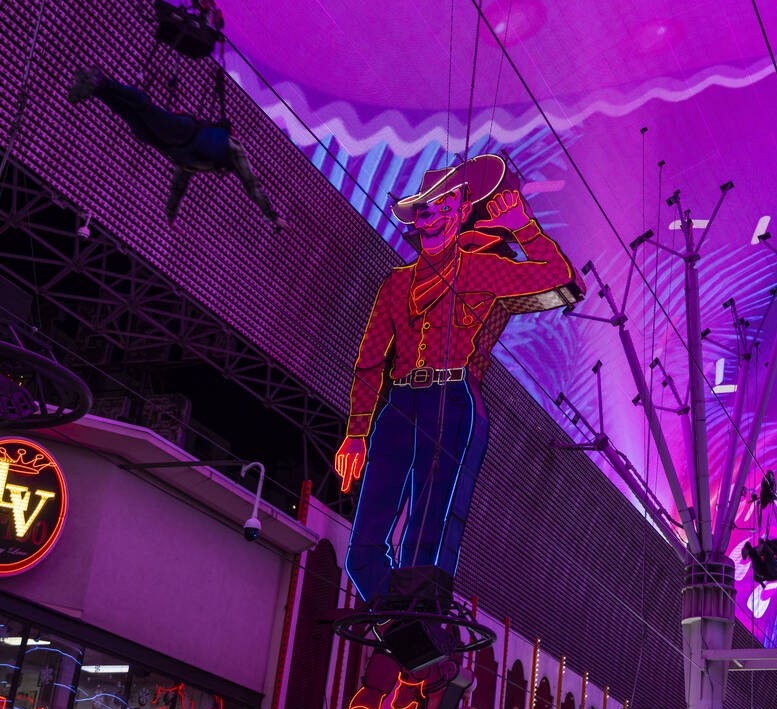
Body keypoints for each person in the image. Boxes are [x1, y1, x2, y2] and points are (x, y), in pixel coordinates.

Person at [333, 154, 582, 607]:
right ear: (418, 218)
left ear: (462, 211)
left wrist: (523, 227)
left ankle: (420, 618)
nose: (434, 215)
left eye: (445, 204)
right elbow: (370, 363)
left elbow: (562, 278)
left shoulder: (479, 268)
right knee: (362, 551)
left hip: (451, 400)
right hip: (399, 405)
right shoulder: (395, 282)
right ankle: (396, 622)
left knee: (425, 539)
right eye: (425, 208)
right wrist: (355, 433)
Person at [66, 68, 285, 231]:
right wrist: (271, 216)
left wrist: (170, 215)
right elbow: (251, 185)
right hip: (184, 132)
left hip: (168, 144)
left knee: (129, 113)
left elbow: (178, 187)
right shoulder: (232, 149)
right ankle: (102, 82)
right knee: (145, 108)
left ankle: (96, 88)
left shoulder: (198, 165)